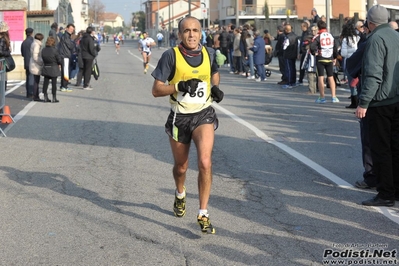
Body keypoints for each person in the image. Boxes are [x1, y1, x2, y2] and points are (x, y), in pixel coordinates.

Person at [151, 16, 223, 234]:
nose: (191, 34)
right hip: (179, 118)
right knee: (181, 167)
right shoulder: (170, 56)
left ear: (201, 32)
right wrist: (179, 85)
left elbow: (214, 74)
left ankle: (203, 212)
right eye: (186, 31)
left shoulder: (209, 53)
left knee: (205, 161)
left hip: (203, 115)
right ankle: (180, 193)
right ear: (179, 34)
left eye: (195, 30)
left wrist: (215, 89)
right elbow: (156, 90)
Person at [355, 5, 399, 207]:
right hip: (396, 98)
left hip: (380, 101)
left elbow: (373, 75)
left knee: (380, 149)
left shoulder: (375, 39)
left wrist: (363, 102)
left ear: (370, 23)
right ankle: (395, 190)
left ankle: (385, 194)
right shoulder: (396, 35)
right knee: (395, 148)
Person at [346, 20, 378, 190]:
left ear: (369, 26)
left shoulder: (369, 42)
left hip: (373, 98)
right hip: (392, 98)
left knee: (369, 139)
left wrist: (363, 102)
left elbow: (352, 65)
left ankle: (372, 176)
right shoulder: (394, 39)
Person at [311, 20, 339, 103]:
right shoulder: (331, 36)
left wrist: (314, 53)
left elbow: (312, 46)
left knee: (321, 77)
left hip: (321, 58)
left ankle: (322, 97)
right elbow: (335, 46)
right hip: (329, 58)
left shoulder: (318, 36)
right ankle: (334, 96)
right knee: (330, 77)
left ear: (318, 27)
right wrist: (334, 57)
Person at [340, 20, 360, 108]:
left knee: (351, 81)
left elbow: (343, 53)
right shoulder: (356, 38)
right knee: (357, 81)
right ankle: (358, 100)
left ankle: (354, 101)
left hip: (348, 60)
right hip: (356, 60)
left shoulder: (345, 40)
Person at [41, 36, 62, 103]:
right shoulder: (54, 50)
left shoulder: (43, 50)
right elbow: (59, 60)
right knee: (54, 83)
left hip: (46, 66)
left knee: (45, 83)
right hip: (53, 67)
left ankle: (45, 97)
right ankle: (54, 97)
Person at [58, 23, 75, 92]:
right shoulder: (66, 36)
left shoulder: (66, 36)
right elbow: (70, 46)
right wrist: (73, 44)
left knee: (65, 71)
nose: (71, 30)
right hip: (65, 56)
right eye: (70, 29)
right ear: (67, 28)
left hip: (65, 55)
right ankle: (64, 86)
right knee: (65, 72)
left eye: (72, 29)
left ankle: (63, 85)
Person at [281, 24, 298, 89]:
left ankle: (289, 82)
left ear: (286, 30)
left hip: (288, 54)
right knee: (293, 68)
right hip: (294, 54)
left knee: (288, 69)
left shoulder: (287, 37)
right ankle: (293, 82)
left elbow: (284, 47)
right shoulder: (295, 36)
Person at [29, 33, 44, 102]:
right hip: (36, 65)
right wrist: (41, 62)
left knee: (36, 81)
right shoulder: (37, 45)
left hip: (33, 64)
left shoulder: (34, 43)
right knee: (36, 81)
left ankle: (36, 95)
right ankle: (36, 96)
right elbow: (36, 56)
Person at [21, 28, 34, 98]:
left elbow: (22, 53)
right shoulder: (32, 42)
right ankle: (31, 93)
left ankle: (28, 93)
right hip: (32, 62)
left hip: (26, 61)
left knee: (28, 77)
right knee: (31, 78)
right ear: (32, 33)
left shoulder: (24, 42)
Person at [0, 21, 11, 90]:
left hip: (2, 61)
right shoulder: (5, 39)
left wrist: (8, 52)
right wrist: (8, 52)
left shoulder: (2, 39)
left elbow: (0, 51)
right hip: (3, 62)